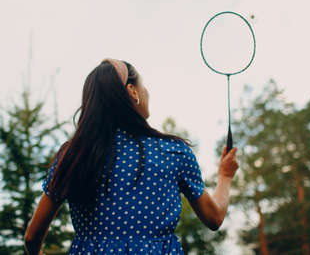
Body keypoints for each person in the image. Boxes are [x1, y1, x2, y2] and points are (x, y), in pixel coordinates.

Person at [24, 59, 238, 254]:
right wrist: (225, 176)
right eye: (143, 85)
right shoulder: (172, 151)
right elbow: (214, 217)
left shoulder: (74, 155)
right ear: (132, 91)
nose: (147, 92)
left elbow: (32, 237)